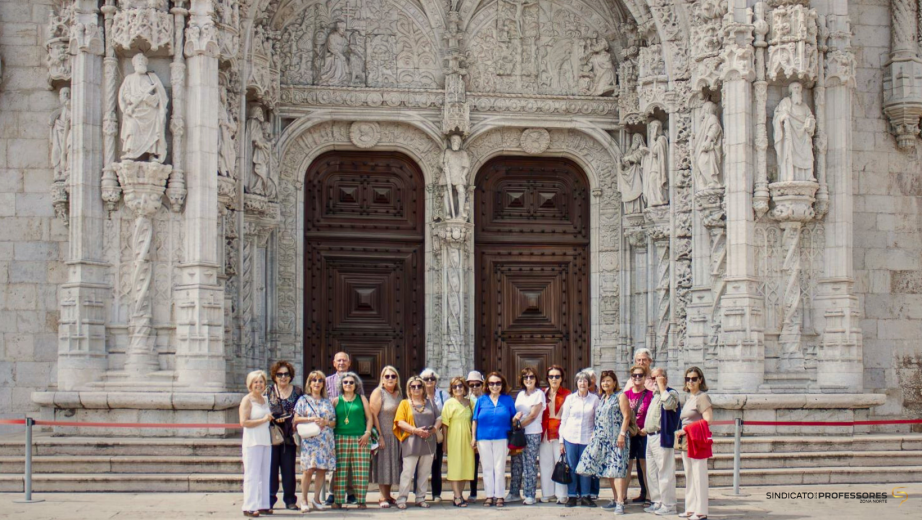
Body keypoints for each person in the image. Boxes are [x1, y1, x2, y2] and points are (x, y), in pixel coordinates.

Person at [576, 370, 631, 514]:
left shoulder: (620, 396)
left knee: (617, 471)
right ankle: (615, 499)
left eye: (608, 380)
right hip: (603, 440)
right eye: (603, 381)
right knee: (609, 471)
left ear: (614, 382)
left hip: (617, 440)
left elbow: (626, 416)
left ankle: (620, 502)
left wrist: (622, 434)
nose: (605, 383)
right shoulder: (603, 398)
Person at [394, 376, 441, 509]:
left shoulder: (430, 402)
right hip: (411, 441)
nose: (416, 389)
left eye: (419, 386)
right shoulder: (404, 403)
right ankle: (402, 498)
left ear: (423, 388)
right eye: (413, 386)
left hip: (428, 441)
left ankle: (420, 498)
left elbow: (439, 418)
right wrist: (415, 430)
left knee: (424, 472)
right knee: (407, 472)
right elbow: (400, 421)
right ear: (409, 389)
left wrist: (435, 428)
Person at [293, 370, 336, 513]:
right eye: (314, 380)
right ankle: (304, 499)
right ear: (309, 383)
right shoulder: (303, 400)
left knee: (322, 469)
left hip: (325, 440)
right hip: (310, 441)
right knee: (308, 470)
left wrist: (326, 422)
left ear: (323, 384)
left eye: (320, 380)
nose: (317, 383)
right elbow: (296, 419)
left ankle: (316, 499)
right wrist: (311, 419)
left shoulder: (327, 401)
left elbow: (334, 422)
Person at [472, 372, 516, 507]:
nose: (495, 386)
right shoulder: (481, 400)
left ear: (502, 385)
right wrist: (473, 437)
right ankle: (489, 495)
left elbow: (513, 418)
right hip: (483, 438)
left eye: (497, 383)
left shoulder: (507, 399)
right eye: (491, 383)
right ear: (487, 385)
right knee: (487, 467)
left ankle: (499, 496)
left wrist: (518, 417)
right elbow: (475, 420)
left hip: (502, 437)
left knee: (499, 467)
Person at [641, 367, 680, 516]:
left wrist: (662, 386)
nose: (654, 381)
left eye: (657, 377)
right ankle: (657, 501)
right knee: (651, 472)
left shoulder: (671, 393)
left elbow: (669, 405)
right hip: (650, 437)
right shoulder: (654, 396)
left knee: (665, 472)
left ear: (665, 378)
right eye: (652, 378)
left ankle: (669, 504)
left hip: (661, 437)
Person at [675, 367, 713, 520]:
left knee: (699, 475)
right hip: (686, 440)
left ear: (700, 380)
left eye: (694, 379)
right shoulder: (689, 398)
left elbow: (708, 419)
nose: (690, 381)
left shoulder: (702, 397)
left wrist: (687, 429)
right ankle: (690, 508)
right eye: (688, 379)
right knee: (690, 475)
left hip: (696, 440)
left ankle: (701, 511)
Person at [331, 372, 373, 509]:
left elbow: (369, 418)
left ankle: (361, 500)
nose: (348, 384)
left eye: (351, 382)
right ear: (341, 385)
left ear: (356, 385)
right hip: (340, 438)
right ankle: (338, 501)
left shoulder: (362, 398)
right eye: (345, 382)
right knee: (340, 470)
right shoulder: (336, 400)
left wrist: (367, 433)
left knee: (361, 471)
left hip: (360, 438)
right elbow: (331, 420)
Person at [558, 371, 600, 508]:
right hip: (570, 437)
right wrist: (561, 441)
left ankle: (585, 496)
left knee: (585, 467)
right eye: (580, 381)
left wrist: (594, 436)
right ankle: (572, 496)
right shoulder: (570, 399)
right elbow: (564, 420)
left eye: (585, 381)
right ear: (576, 383)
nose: (583, 383)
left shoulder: (594, 399)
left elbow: (597, 420)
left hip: (587, 438)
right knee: (571, 467)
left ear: (589, 383)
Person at [265, 361, 303, 511]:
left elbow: (302, 409)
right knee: (271, 469)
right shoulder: (268, 391)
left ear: (290, 376)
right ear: (274, 376)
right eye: (279, 374)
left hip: (289, 434)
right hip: (272, 434)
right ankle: (269, 499)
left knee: (288, 469)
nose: (283, 377)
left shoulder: (297, 391)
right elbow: (262, 409)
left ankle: (290, 500)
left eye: (286, 374)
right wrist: (272, 417)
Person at [324, 351, 359, 505]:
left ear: (349, 363)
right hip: (332, 426)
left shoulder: (355, 380)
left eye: (344, 360)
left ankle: (351, 492)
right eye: (339, 360)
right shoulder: (327, 381)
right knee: (335, 460)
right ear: (334, 363)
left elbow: (360, 400)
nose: (341, 363)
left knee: (349, 460)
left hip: (351, 425)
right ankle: (332, 492)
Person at [507, 367, 545, 505]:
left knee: (529, 463)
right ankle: (514, 493)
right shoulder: (521, 394)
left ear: (536, 379)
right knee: (516, 463)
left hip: (532, 432)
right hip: (519, 434)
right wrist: (515, 421)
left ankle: (530, 494)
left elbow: (533, 415)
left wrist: (519, 426)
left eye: (531, 377)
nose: (528, 379)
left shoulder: (539, 394)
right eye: (525, 377)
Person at [239, 370, 273, 518]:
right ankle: (249, 506)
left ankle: (263, 504)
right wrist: (263, 420)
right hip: (252, 441)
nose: (259, 384)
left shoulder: (265, 399)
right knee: (252, 474)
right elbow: (244, 422)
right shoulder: (247, 400)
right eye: (256, 382)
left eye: (261, 381)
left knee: (265, 474)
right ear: (250, 384)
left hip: (265, 440)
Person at [369, 366, 402, 508]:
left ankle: (388, 495)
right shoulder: (378, 392)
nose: (390, 378)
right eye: (387, 376)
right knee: (383, 465)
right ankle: (382, 496)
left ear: (397, 379)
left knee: (391, 465)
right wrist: (380, 436)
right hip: (383, 433)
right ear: (382, 379)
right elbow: (373, 414)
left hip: (395, 435)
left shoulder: (399, 394)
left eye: (393, 376)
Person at [539, 365, 570, 504]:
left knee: (560, 463)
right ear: (547, 378)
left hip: (560, 432)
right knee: (545, 463)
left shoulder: (568, 394)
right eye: (551, 376)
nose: (554, 379)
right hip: (545, 432)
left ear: (561, 378)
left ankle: (562, 494)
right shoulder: (542, 393)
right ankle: (547, 493)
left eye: (557, 376)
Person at [441, 376, 475, 507]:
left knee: (465, 467)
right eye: (454, 386)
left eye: (460, 386)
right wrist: (445, 443)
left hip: (467, 438)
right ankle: (456, 496)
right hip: (454, 437)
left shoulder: (470, 402)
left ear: (464, 388)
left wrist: (474, 438)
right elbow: (445, 424)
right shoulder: (449, 403)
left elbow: (475, 421)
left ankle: (460, 494)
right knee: (455, 467)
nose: (457, 388)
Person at [624, 364, 653, 506]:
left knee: (644, 464)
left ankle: (648, 494)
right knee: (627, 464)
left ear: (645, 377)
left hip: (643, 433)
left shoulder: (650, 395)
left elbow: (653, 414)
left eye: (640, 375)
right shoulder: (626, 394)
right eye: (634, 375)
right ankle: (622, 495)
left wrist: (647, 428)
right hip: (629, 434)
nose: (637, 378)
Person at [421, 367, 449, 501]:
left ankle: (436, 493)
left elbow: (446, 415)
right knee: (420, 464)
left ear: (436, 381)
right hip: (422, 433)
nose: (429, 381)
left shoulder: (443, 395)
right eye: (426, 379)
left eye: (432, 378)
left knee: (436, 464)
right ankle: (419, 493)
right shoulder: (417, 393)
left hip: (437, 433)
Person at [466, 370, 484, 500]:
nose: (474, 387)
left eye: (477, 384)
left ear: (482, 384)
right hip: (470, 436)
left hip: (485, 435)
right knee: (473, 465)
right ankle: (473, 492)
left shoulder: (487, 398)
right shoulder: (466, 400)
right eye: (471, 385)